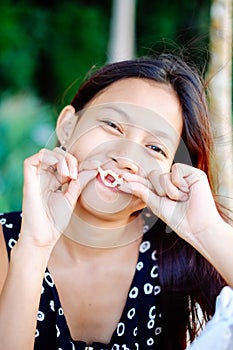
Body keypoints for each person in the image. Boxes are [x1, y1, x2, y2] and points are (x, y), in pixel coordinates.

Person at [0, 53, 233, 350]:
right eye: (112, 125)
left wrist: (205, 230)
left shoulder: (181, 258)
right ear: (68, 126)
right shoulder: (6, 241)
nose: (126, 156)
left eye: (154, 147)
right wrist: (34, 245)